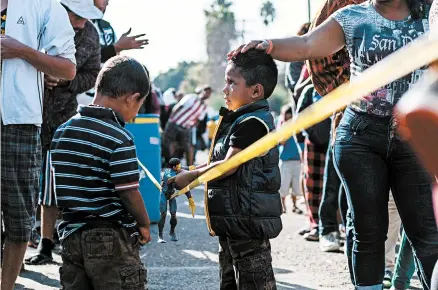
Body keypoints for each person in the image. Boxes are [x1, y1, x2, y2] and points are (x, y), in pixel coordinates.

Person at [228, 0, 438, 289]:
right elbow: (306, 45)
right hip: (361, 138)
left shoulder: (431, 14)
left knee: (426, 232)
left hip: (412, 139)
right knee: (368, 231)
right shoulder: (354, 16)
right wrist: (269, 44)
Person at [170, 49, 282, 290]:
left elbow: (229, 165)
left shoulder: (254, 123)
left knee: (254, 281)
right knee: (230, 281)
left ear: (255, 91)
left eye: (232, 83)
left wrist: (191, 177)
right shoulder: (238, 120)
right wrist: (191, 170)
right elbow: (218, 161)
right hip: (233, 222)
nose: (225, 89)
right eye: (225, 82)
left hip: (247, 224)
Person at [44, 55, 152, 289]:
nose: (134, 114)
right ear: (131, 99)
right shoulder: (120, 137)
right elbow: (129, 192)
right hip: (110, 236)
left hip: (71, 236)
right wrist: (143, 222)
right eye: (138, 106)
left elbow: (56, 187)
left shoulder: (63, 131)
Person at [0, 0, 77, 288]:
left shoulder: (43, 5)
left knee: (18, 220)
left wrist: (21, 51)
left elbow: (68, 69)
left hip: (18, 122)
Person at [26, 0, 103, 265]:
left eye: (86, 16)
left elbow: (93, 73)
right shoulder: (37, 21)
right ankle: (14, 238)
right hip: (24, 114)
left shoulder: (91, 34)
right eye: (77, 15)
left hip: (61, 119)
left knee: (55, 182)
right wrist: (40, 74)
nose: (82, 22)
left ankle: (49, 243)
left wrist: (66, 80)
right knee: (18, 181)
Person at [76, 0, 149, 105]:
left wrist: (118, 51)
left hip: (101, 96)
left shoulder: (107, 28)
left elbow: (113, 61)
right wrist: (116, 47)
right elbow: (81, 58)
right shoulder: (76, 23)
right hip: (77, 95)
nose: (107, 3)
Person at [162, 86, 212, 166]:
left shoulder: (204, 107)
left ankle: (190, 168)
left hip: (186, 128)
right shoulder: (191, 97)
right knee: (167, 142)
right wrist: (171, 119)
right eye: (205, 91)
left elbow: (198, 120)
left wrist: (191, 126)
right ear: (202, 91)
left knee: (188, 147)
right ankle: (169, 163)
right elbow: (178, 106)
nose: (206, 93)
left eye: (209, 92)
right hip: (174, 123)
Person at [157, 158, 195, 243]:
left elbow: (188, 168)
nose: (180, 167)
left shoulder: (175, 170)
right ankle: (160, 235)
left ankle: (172, 232)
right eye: (178, 165)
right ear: (174, 167)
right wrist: (189, 197)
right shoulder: (170, 175)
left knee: (173, 214)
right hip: (164, 194)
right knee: (163, 215)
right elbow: (182, 186)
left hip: (172, 194)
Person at [278, 105, 304, 214]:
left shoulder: (300, 125)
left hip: (298, 160)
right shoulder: (283, 126)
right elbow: (281, 142)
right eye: (288, 113)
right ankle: (283, 206)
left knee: (296, 187)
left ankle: (294, 205)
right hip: (286, 161)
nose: (289, 116)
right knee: (283, 186)